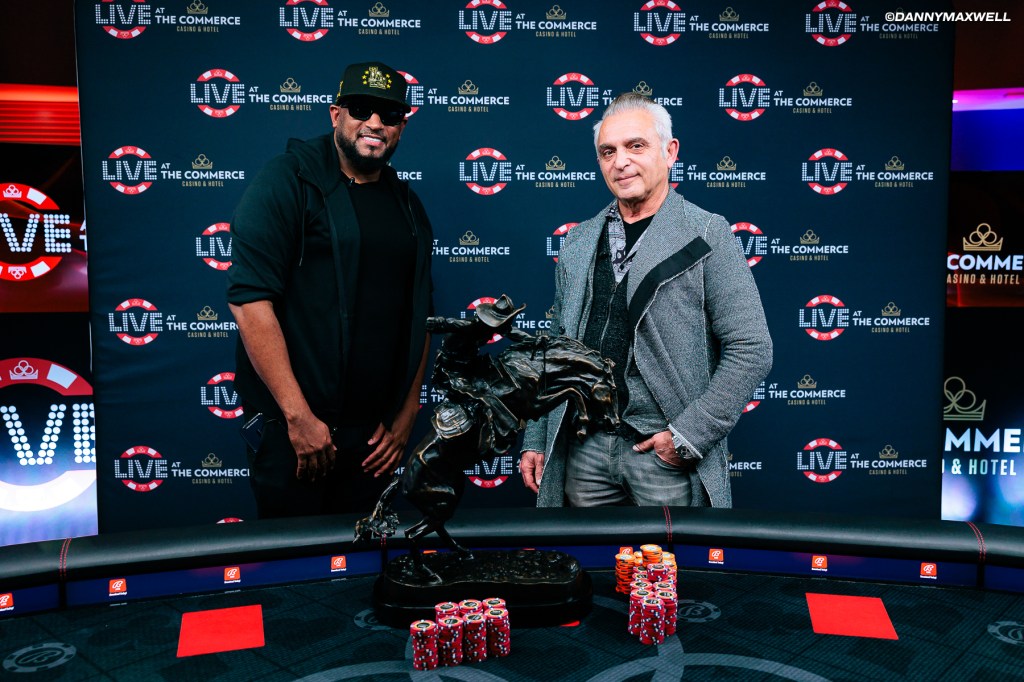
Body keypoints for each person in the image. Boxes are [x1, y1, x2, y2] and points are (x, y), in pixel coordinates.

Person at [520, 92, 772, 508]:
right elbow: (555, 350)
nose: (620, 161)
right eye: (608, 151)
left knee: (673, 554)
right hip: (583, 449)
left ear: (669, 152)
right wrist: (536, 435)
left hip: (663, 455)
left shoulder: (706, 232)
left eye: (635, 146)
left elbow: (751, 348)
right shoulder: (579, 240)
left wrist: (687, 438)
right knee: (587, 552)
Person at [227, 61, 433, 518]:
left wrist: (407, 415)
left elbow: (421, 313)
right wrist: (298, 417)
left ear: (402, 126)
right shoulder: (286, 181)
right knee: (295, 559)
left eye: (389, 114)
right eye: (361, 109)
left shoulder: (407, 204)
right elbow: (249, 302)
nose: (374, 123)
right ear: (336, 115)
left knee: (366, 557)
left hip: (374, 440)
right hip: (295, 431)